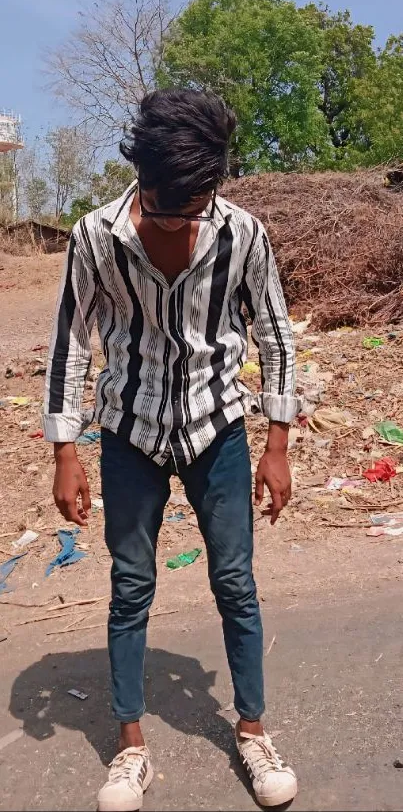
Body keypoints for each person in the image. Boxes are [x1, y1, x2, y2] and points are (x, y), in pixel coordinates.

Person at [43, 89, 300, 811]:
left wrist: (277, 444)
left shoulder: (243, 233)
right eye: (165, 208)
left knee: (235, 584)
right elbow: (70, 342)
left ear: (214, 184)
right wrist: (65, 450)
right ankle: (130, 748)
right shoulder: (93, 235)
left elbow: (275, 335)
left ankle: (251, 729)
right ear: (141, 176)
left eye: (195, 207)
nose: (181, 224)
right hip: (129, 430)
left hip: (216, 427)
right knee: (130, 586)